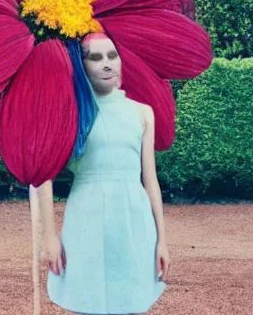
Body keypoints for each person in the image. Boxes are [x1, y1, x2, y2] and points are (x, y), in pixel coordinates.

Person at [37, 32, 170, 315]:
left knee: (131, 299)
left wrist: (162, 240)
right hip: (86, 216)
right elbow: (42, 175)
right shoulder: (69, 114)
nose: (107, 64)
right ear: (81, 65)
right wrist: (50, 237)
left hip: (134, 220)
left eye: (112, 55)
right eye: (95, 58)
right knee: (88, 298)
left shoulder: (143, 113)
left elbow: (151, 182)